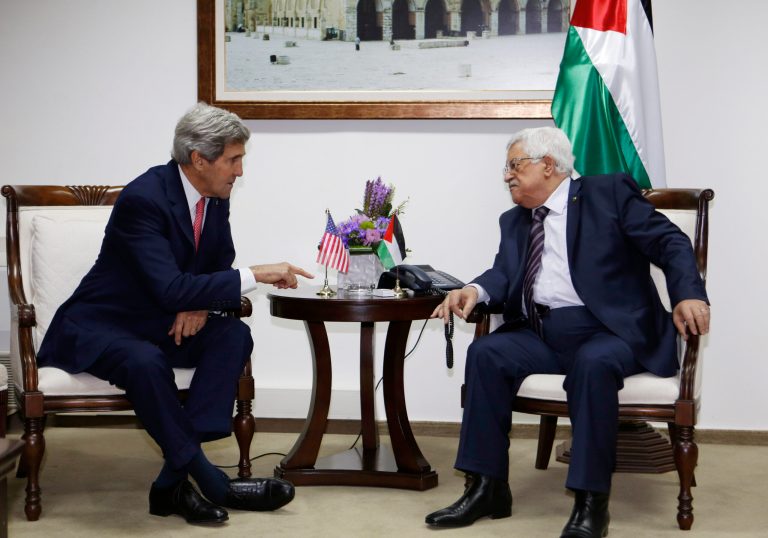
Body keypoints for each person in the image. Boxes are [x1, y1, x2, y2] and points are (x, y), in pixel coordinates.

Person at [37, 102, 314, 525]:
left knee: (233, 336)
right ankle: (213, 481)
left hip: (161, 319)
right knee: (144, 362)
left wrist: (200, 302)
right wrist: (257, 274)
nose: (240, 172)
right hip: (104, 322)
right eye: (233, 160)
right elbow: (169, 287)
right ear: (198, 159)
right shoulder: (143, 199)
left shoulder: (213, 196)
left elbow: (217, 261)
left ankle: (170, 484)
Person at [425, 127, 710, 537]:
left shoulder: (607, 193)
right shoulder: (515, 221)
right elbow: (503, 273)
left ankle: (590, 502)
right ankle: (486, 487)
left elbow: (670, 243)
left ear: (547, 164)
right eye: (506, 168)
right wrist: (472, 289)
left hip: (610, 331)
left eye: (514, 165)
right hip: (542, 332)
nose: (506, 175)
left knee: (592, 365)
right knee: (486, 354)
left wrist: (687, 294)